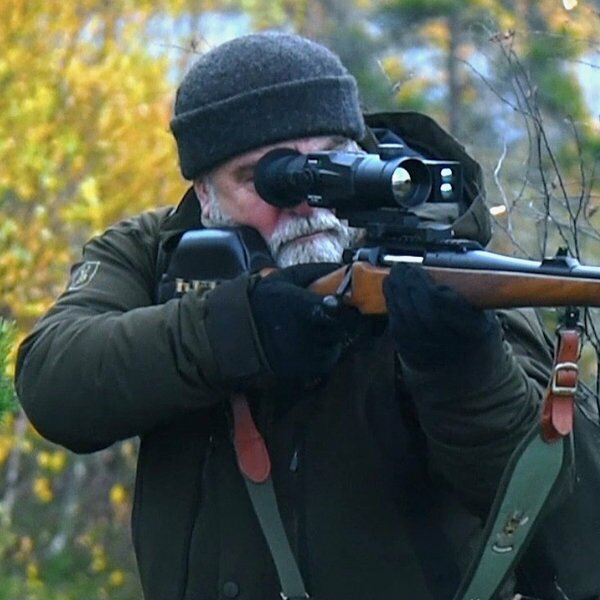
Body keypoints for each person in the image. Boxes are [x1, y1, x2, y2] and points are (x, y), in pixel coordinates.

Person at [15, 32, 600, 600]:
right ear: (204, 194)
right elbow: (54, 382)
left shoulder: (447, 266)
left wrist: (466, 373)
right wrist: (233, 331)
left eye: (330, 161)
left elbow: (559, 520)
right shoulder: (155, 252)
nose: (305, 199)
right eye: (263, 177)